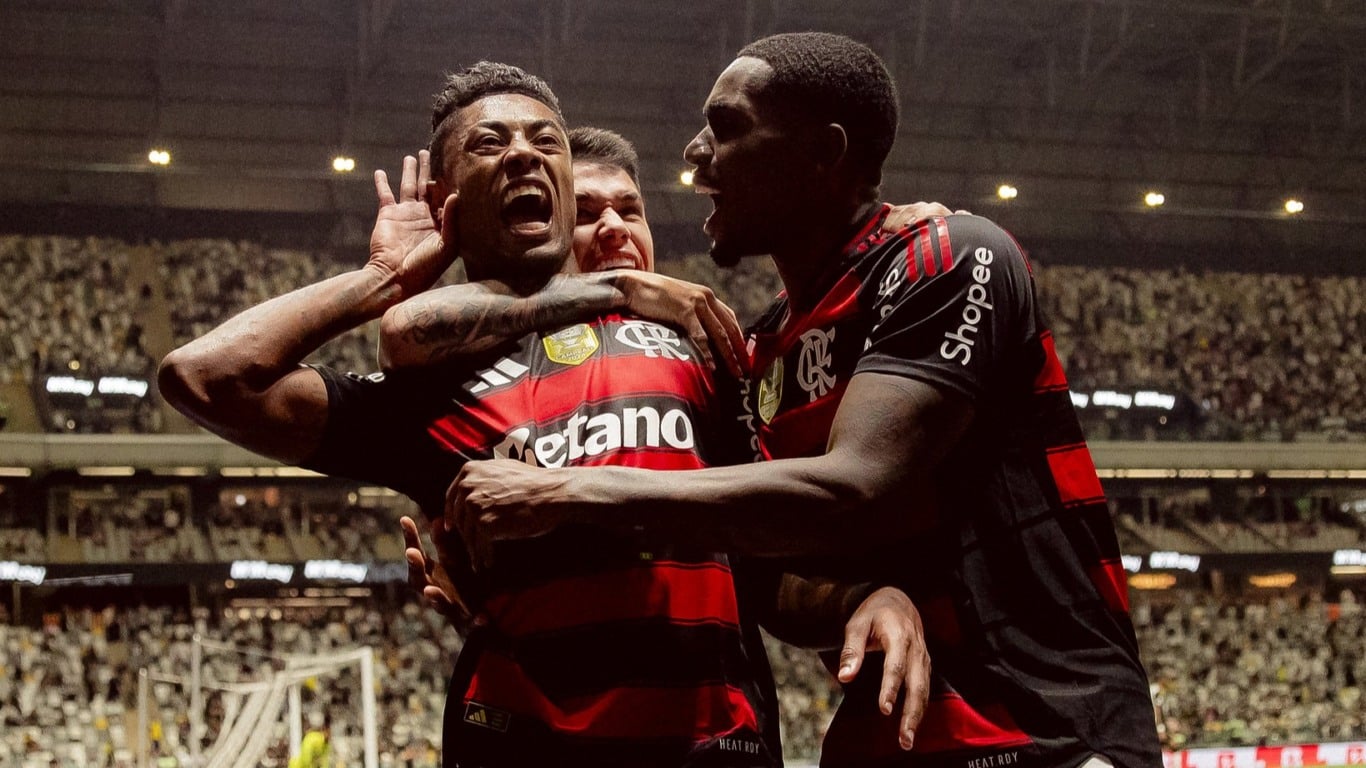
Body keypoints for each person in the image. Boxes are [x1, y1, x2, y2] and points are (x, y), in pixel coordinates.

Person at [160, 62, 918, 767]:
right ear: (446, 199)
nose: (524, 153)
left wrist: (859, 596)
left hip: (712, 745)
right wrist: (381, 278)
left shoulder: (689, 343)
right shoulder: (428, 388)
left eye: (544, 139)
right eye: (491, 143)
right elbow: (204, 376)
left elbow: (760, 557)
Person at [443, 34, 1163, 768]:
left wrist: (563, 492)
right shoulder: (758, 352)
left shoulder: (947, 255)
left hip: (1047, 729)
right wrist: (509, 584)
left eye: (725, 128)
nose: (693, 153)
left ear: (824, 152)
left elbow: (853, 485)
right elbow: (752, 568)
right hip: (888, 741)